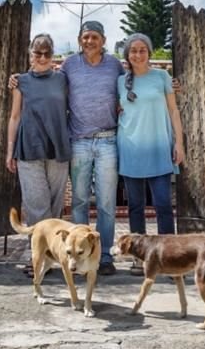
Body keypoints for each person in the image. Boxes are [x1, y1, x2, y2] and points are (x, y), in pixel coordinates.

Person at [116, 32, 185, 275]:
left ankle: (170, 257)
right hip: (130, 148)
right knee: (135, 206)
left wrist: (179, 144)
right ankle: (140, 257)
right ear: (127, 54)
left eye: (142, 49)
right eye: (133, 50)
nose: (137, 54)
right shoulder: (120, 81)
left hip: (159, 147)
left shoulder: (162, 76)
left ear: (150, 52)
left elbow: (174, 111)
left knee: (164, 205)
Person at [61, 21, 125, 276]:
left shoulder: (114, 65)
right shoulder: (68, 64)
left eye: (94, 37)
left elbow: (132, 86)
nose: (89, 41)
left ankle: (105, 254)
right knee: (79, 200)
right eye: (85, 37)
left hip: (109, 140)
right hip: (78, 141)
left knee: (107, 202)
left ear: (103, 39)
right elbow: (50, 85)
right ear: (79, 40)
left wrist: (170, 85)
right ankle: (78, 253)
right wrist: (18, 79)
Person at [6, 33, 70, 277]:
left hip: (58, 148)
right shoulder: (21, 81)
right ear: (30, 54)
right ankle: (38, 259)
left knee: (54, 207)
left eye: (47, 53)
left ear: (53, 55)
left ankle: (52, 257)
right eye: (37, 52)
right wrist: (9, 150)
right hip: (29, 148)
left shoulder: (63, 80)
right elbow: (15, 116)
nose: (42, 57)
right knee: (37, 206)